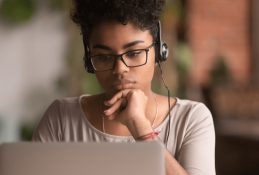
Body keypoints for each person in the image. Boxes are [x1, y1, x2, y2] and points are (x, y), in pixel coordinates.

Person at [31, 0, 216, 174]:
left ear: (159, 52)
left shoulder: (192, 119)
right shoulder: (61, 118)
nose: (120, 69)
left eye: (134, 53)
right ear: (89, 61)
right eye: (103, 57)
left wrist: (141, 128)